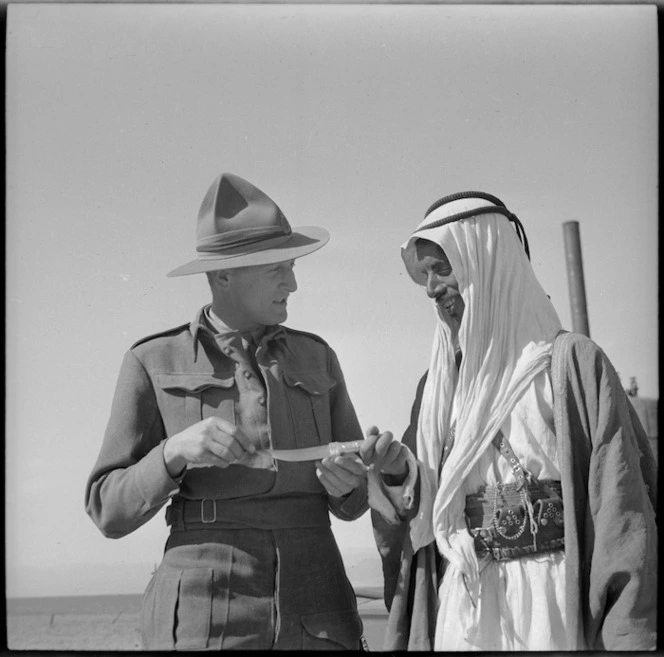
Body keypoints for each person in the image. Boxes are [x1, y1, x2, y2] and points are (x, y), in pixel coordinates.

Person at [85, 172, 371, 650]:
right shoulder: (153, 361)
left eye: (292, 266)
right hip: (206, 615)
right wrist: (172, 454)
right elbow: (107, 510)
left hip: (318, 611)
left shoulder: (318, 357)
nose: (293, 283)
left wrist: (350, 486)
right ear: (223, 275)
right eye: (277, 269)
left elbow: (355, 499)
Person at [366, 191, 658, 651]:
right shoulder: (438, 384)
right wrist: (396, 471)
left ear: (487, 263)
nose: (431, 288)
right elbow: (421, 513)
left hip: (552, 603)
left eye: (443, 267)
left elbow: (620, 510)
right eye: (423, 275)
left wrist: (628, 637)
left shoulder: (572, 364)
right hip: (464, 606)